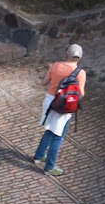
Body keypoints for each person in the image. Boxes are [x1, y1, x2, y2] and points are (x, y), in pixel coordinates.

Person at [33, 43, 87, 176]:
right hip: (63, 106)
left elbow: (44, 82)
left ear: (66, 53)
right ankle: (49, 167)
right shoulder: (80, 73)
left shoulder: (56, 65)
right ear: (79, 58)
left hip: (50, 101)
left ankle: (39, 156)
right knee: (57, 136)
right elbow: (80, 94)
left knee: (50, 130)